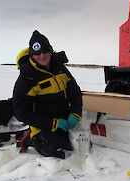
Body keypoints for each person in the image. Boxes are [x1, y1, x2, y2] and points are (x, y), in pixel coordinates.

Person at [13, 30, 83, 159]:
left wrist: (74, 114)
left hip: (66, 120)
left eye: (45, 51)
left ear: (50, 51)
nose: (42, 56)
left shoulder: (60, 68)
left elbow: (75, 93)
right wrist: (54, 124)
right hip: (43, 126)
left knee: (83, 146)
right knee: (61, 152)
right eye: (37, 53)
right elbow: (21, 112)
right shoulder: (27, 78)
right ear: (32, 55)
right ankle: (31, 137)